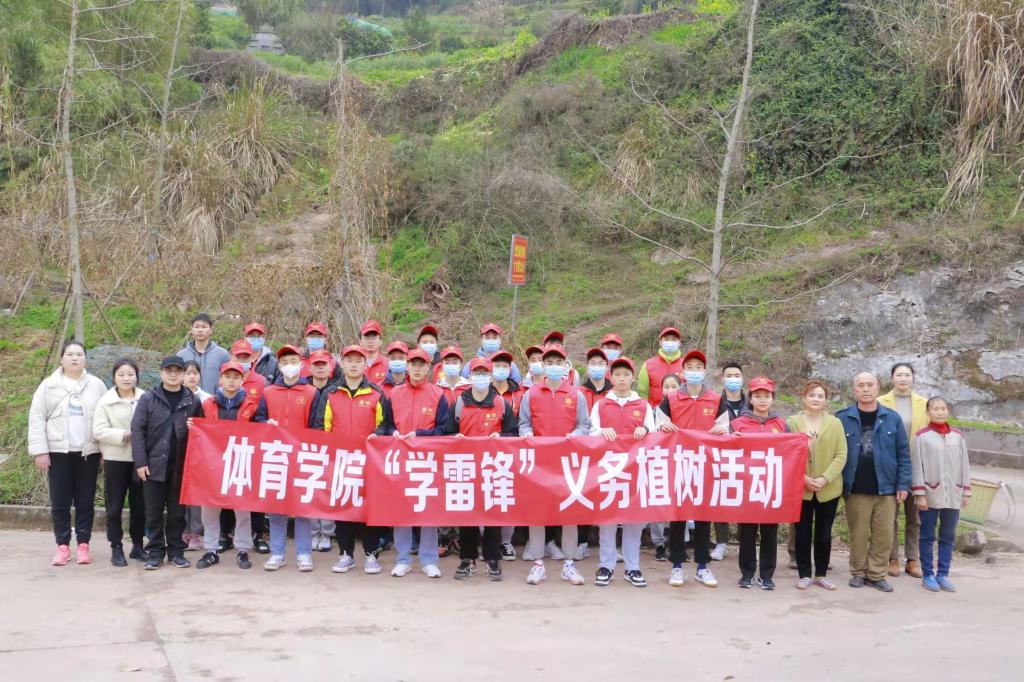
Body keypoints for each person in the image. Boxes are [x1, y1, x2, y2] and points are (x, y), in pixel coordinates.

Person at [312, 345, 390, 575]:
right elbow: (321, 427)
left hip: (369, 463)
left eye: (358, 360)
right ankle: (346, 554)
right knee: (343, 508)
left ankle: (371, 554)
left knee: (369, 510)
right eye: (349, 360)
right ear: (342, 364)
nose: (354, 365)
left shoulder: (376, 393)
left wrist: (377, 435)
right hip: (340, 462)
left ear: (365, 365)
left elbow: (384, 425)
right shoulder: (331, 393)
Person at [28, 341, 107, 566]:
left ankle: (83, 544)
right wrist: (40, 451)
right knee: (60, 501)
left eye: (79, 354)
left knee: (85, 501)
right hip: (58, 452)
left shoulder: (96, 385)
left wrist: (104, 448)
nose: (74, 358)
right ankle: (62, 545)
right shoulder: (49, 385)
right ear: (62, 358)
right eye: (70, 354)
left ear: (85, 358)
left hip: (88, 452)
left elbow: (104, 418)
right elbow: (36, 418)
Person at [518, 344, 591, 586]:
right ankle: (538, 563)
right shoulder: (531, 394)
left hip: (568, 464)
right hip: (539, 464)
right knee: (537, 514)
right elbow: (524, 423)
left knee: (569, 513)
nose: (553, 367)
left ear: (565, 366)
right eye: (549, 363)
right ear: (542, 366)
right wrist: (527, 434)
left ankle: (568, 564)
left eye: (558, 363)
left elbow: (584, 424)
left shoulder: (576, 395)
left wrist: (574, 436)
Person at [376, 348, 450, 578]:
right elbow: (386, 424)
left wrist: (420, 435)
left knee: (428, 510)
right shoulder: (394, 394)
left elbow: (444, 430)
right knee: (402, 510)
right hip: (401, 460)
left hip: (428, 461)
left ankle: (429, 560)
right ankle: (403, 559)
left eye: (421, 364)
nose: (417, 368)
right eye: (413, 364)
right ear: (407, 366)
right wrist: (392, 433)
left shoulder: (438, 394)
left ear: (429, 368)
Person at [837, 372, 911, 593]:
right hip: (856, 487)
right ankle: (858, 572)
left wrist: (903, 484)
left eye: (870, 385)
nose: (866, 389)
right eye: (861, 385)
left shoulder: (892, 418)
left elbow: (903, 453)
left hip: (886, 487)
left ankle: (877, 574)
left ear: (878, 388)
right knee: (858, 534)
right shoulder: (843, 418)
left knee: (884, 535)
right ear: (854, 390)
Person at [132, 355, 205, 570]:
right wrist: (141, 462)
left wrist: (195, 428)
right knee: (153, 512)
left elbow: (202, 433)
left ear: (183, 374)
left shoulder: (192, 401)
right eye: (169, 371)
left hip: (181, 467)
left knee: (177, 514)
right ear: (161, 373)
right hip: (153, 465)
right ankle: (155, 551)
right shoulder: (148, 399)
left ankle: (176, 551)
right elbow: (137, 431)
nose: (173, 375)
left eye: (177, 371)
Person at [449, 357, 518, 581]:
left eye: (484, 373)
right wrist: (455, 437)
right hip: (466, 466)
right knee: (467, 515)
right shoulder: (460, 403)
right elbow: (446, 432)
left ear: (490, 376)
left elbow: (514, 433)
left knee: (492, 515)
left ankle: (492, 559)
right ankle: (467, 559)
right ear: (469, 376)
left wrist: (501, 436)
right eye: (476, 373)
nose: (480, 377)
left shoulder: (500, 403)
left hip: (493, 467)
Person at [590, 357, 655, 587]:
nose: (621, 379)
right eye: (617, 374)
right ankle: (606, 566)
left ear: (633, 377)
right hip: (607, 469)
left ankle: (632, 567)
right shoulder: (601, 405)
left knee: (634, 520)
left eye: (626, 374)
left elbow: (654, 433)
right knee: (607, 520)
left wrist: (644, 429)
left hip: (635, 470)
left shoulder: (643, 406)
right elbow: (590, 432)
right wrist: (601, 432)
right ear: (611, 377)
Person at [253, 345, 319, 572]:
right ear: (279, 366)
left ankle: (304, 553)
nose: (289, 366)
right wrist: (266, 423)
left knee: (302, 508)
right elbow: (258, 419)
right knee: (276, 507)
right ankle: (277, 553)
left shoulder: (311, 392)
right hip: (276, 456)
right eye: (285, 362)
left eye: (293, 361)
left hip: (302, 457)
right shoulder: (268, 392)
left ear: (301, 365)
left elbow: (317, 426)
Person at [657, 349, 720, 588]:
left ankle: (702, 566)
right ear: (683, 372)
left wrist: (723, 429)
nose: (694, 371)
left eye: (698, 367)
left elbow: (725, 427)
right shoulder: (672, 399)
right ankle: (677, 565)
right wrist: (663, 428)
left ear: (705, 371)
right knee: (678, 517)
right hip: (679, 464)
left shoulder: (715, 399)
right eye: (690, 367)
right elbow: (659, 424)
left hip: (705, 466)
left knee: (704, 517)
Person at [195, 362, 256, 571]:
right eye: (227, 376)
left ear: (242, 380)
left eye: (236, 377)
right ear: (220, 379)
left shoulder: (251, 405)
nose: (231, 380)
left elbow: (260, 431)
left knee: (242, 508)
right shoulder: (207, 404)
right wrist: (192, 426)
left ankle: (242, 549)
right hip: (212, 463)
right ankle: (211, 549)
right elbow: (198, 428)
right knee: (210, 507)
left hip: (240, 462)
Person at [787, 381, 847, 591]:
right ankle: (804, 574)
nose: (816, 399)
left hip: (828, 488)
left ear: (825, 400)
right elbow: (787, 453)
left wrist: (825, 478)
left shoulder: (835, 423)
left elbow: (841, 454)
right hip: (801, 487)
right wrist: (803, 478)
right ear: (804, 398)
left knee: (823, 532)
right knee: (802, 532)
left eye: (820, 396)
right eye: (812, 395)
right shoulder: (792, 422)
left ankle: (821, 573)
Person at [730, 377, 788, 590]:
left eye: (767, 396)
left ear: (772, 399)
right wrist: (731, 440)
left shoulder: (781, 425)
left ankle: (766, 574)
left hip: (771, 485)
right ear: (751, 399)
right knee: (747, 531)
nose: (762, 400)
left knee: (770, 531)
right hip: (747, 485)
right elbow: (726, 450)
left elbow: (790, 452)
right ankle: (746, 573)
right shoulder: (738, 424)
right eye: (758, 396)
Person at [912, 397, 971, 593]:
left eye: (943, 408)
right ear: (928, 412)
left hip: (953, 493)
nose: (940, 412)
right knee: (927, 535)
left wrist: (965, 491)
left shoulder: (958, 436)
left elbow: (964, 465)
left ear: (948, 411)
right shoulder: (922, 437)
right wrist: (920, 494)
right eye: (935, 409)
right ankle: (928, 574)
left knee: (948, 535)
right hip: (930, 493)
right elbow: (916, 467)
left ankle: (943, 574)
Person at [92, 358, 147, 567]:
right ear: (114, 377)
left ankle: (138, 545)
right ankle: (116, 546)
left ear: (137, 377)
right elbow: (98, 431)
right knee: (114, 506)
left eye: (130, 374)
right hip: (115, 459)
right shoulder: (105, 401)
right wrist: (125, 434)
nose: (126, 378)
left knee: (139, 505)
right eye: (121, 374)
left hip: (140, 460)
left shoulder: (145, 398)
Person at [217, 340, 270, 554]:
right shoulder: (216, 395)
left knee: (253, 494)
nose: (242, 360)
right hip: (223, 450)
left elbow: (262, 415)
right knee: (226, 493)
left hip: (251, 450)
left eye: (246, 357)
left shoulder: (262, 383)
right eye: (238, 356)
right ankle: (225, 534)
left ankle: (258, 535)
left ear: (252, 359)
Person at [878, 362, 927, 579]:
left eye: (907, 374)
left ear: (913, 377)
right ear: (892, 378)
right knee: (890, 515)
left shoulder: (923, 404)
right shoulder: (881, 402)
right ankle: (892, 558)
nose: (903, 378)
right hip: (890, 464)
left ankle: (912, 559)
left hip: (916, 465)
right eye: (899, 374)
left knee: (914, 516)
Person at [708, 361, 748, 562]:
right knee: (721, 498)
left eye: (736, 375)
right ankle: (721, 542)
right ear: (722, 379)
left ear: (742, 378)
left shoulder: (752, 402)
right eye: (729, 376)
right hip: (721, 457)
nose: (733, 379)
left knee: (746, 499)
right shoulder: (715, 402)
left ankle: (745, 542)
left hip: (747, 459)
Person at [491, 350, 525, 561]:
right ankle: (488, 541)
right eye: (497, 365)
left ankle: (506, 541)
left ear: (510, 369)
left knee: (507, 496)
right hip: (485, 453)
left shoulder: (519, 393)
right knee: (487, 496)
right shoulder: (482, 391)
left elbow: (522, 423)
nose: (501, 369)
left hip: (512, 452)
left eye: (505, 366)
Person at [307, 349, 337, 553]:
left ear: (330, 367)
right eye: (316, 364)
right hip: (306, 445)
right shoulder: (304, 388)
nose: (320, 368)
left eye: (323, 364)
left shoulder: (336, 389)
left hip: (331, 446)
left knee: (327, 490)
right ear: (310, 367)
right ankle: (312, 532)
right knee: (311, 489)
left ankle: (326, 533)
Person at [649, 373, 682, 562]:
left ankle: (680, 544)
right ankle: (659, 543)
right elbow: (649, 431)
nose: (670, 391)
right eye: (666, 387)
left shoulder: (685, 407)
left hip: (681, 459)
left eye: (674, 387)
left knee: (681, 501)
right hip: (659, 460)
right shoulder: (654, 410)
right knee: (659, 501)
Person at [180, 359, 210, 551]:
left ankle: (196, 533)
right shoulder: (176, 396)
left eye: (195, 373)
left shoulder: (207, 399)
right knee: (181, 492)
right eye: (188, 373)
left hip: (201, 452)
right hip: (180, 450)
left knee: (197, 494)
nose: (191, 376)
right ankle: (183, 531)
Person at [177, 313, 229, 395]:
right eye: (196, 327)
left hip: (214, 400)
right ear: (191, 330)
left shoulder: (222, 354)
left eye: (204, 327)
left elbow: (227, 379)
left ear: (211, 330)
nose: (200, 330)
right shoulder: (181, 355)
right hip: (187, 400)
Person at [637, 326, 684, 408]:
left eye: (674, 339)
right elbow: (642, 393)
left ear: (679, 342)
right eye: (666, 339)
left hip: (681, 412)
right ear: (660, 342)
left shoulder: (687, 366)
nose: (670, 342)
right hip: (654, 412)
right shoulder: (648, 365)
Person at [360, 320, 388, 386]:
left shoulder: (388, 364)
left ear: (380, 342)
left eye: (373, 338)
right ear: (360, 342)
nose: (370, 341)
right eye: (366, 338)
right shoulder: (355, 365)